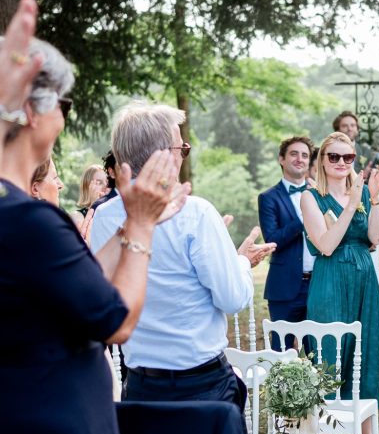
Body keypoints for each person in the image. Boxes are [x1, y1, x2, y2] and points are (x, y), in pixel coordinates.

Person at [0, 21, 183, 434]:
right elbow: (115, 318)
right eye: (64, 104)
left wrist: (129, 218)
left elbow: (76, 283)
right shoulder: (27, 220)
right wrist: (145, 228)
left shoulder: (17, 216)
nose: (66, 117)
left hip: (30, 426)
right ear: (35, 112)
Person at [91, 103, 275, 417]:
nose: (182, 156)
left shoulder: (105, 217)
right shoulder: (196, 212)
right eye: (182, 148)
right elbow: (232, 298)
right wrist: (241, 263)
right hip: (202, 386)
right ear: (164, 156)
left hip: (140, 386)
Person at [300, 131, 379, 434]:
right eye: (334, 157)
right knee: (329, 356)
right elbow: (325, 245)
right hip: (330, 281)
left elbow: (375, 238)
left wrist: (374, 199)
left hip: (364, 280)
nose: (341, 162)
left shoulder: (363, 193)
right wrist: (352, 204)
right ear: (322, 160)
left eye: (348, 157)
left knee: (365, 355)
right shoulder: (311, 198)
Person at [258, 135, 316, 351]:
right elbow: (272, 240)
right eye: (294, 154)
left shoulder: (321, 194)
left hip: (319, 284)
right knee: (280, 351)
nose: (300, 159)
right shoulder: (268, 198)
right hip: (284, 286)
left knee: (317, 351)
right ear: (281, 159)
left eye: (305, 155)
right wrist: (302, 219)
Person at [72, 162, 105, 230]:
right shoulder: (77, 216)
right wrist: (95, 204)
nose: (105, 186)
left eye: (107, 182)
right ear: (87, 187)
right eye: (99, 182)